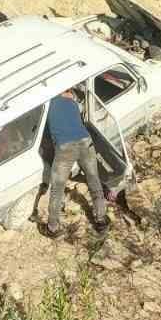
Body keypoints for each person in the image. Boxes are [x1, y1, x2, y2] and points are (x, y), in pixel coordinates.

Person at [44, 87, 108, 237]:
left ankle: (53, 228)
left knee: (57, 188)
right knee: (94, 180)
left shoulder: (46, 104)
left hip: (65, 147)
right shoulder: (71, 100)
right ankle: (101, 221)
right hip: (86, 142)